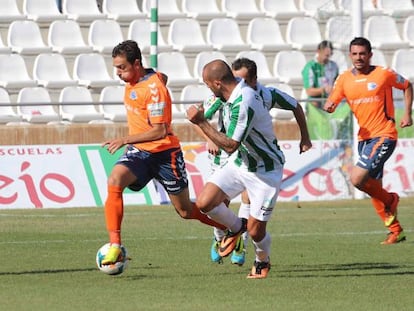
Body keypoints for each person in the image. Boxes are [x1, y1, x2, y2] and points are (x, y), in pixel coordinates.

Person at [100, 40, 227, 265]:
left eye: (122, 67)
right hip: (140, 151)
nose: (118, 73)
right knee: (115, 180)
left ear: (136, 63)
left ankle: (229, 229)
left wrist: (124, 139)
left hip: (165, 154)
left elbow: (159, 131)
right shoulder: (144, 78)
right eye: (116, 68)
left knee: (186, 212)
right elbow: (161, 76)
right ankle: (115, 246)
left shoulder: (153, 90)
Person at [187, 60, 312, 278]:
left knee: (256, 231)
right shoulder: (223, 96)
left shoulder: (245, 100)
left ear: (217, 83)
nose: (207, 89)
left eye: (207, 85)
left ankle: (262, 260)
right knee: (204, 202)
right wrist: (201, 119)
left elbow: (231, 144)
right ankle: (236, 226)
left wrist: (201, 123)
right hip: (240, 163)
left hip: (265, 171)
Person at [324, 37, 413, 244]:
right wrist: (330, 105)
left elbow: (407, 86)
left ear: (370, 55)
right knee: (373, 186)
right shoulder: (344, 78)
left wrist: (407, 114)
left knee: (357, 179)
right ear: (349, 55)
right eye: (354, 54)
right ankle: (395, 230)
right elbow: (334, 99)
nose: (358, 57)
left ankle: (391, 199)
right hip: (364, 138)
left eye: (362, 53)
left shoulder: (383, 73)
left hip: (384, 134)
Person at [302, 40, 339, 109]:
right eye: (326, 55)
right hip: (316, 101)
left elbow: (337, 84)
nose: (327, 58)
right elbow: (309, 91)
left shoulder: (333, 66)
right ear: (318, 51)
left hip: (330, 100)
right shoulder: (310, 67)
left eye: (329, 55)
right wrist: (324, 90)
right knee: (314, 103)